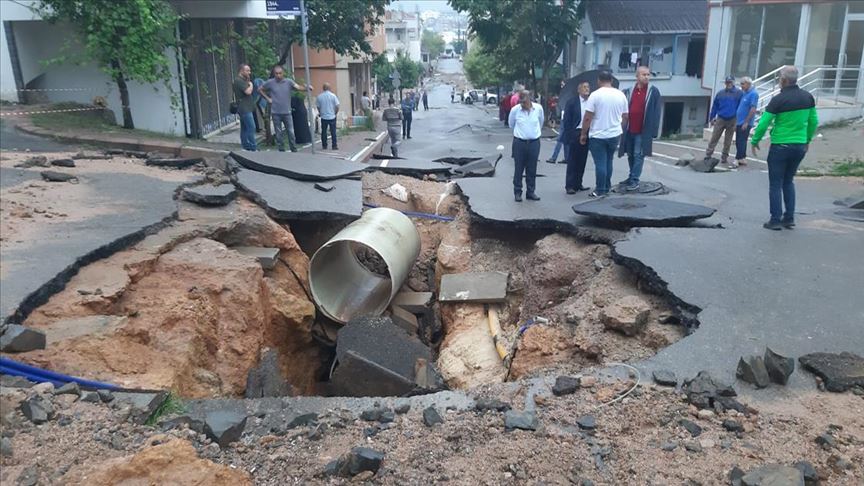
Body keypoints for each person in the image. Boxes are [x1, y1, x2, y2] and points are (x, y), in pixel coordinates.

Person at [750, 66, 817, 231]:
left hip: (781, 145)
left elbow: (764, 122)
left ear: (784, 80)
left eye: (780, 77)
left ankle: (775, 219)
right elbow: (814, 121)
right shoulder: (808, 97)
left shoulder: (778, 100)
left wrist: (755, 140)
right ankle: (789, 217)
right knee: (788, 181)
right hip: (799, 146)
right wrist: (807, 140)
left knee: (775, 183)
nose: (779, 80)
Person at [580, 70, 629, 198]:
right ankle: (607, 186)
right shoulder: (621, 95)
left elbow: (587, 117)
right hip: (614, 134)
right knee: (609, 161)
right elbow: (625, 116)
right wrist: (620, 128)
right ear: (611, 80)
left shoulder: (595, 95)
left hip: (598, 134)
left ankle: (600, 189)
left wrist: (583, 133)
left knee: (600, 163)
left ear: (599, 81)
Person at [618, 66, 663, 191]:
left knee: (639, 155)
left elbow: (657, 112)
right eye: (644, 74)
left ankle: (634, 180)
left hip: (643, 130)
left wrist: (654, 130)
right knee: (630, 154)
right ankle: (631, 176)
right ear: (637, 76)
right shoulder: (628, 91)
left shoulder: (653, 91)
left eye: (648, 74)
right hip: (629, 128)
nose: (647, 77)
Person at [258, 65, 310, 152]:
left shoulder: (288, 82)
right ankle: (281, 149)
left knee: (291, 132)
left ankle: (293, 148)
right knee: (278, 133)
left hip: (287, 112)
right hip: (276, 112)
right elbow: (260, 89)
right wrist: (268, 99)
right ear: (274, 74)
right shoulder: (270, 82)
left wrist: (306, 88)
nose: (278, 75)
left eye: (280, 73)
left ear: (283, 73)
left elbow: (298, 87)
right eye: (276, 73)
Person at [508, 90, 544, 202]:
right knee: (519, 168)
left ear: (530, 99)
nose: (523, 104)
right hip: (520, 143)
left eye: (525, 101)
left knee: (532, 168)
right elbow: (511, 124)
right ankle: (517, 192)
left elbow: (540, 122)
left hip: (534, 142)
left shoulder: (538, 109)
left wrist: (533, 133)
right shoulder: (515, 110)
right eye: (521, 101)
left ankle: (531, 191)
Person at [562, 81, 592, 193]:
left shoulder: (591, 102)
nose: (587, 89)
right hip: (575, 132)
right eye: (584, 87)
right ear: (578, 90)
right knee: (573, 160)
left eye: (588, 87)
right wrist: (570, 135)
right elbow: (567, 120)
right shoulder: (572, 102)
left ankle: (578, 183)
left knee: (582, 159)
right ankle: (569, 185)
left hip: (587, 132)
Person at [706, 76, 742, 165]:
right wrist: (711, 117)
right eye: (727, 82)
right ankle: (708, 154)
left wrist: (739, 120)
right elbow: (715, 106)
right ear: (725, 83)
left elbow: (741, 107)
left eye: (730, 82)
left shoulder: (739, 93)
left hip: (732, 119)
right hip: (720, 118)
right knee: (714, 138)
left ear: (733, 83)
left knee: (728, 140)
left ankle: (724, 157)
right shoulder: (720, 93)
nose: (728, 84)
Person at [733, 77, 758, 168]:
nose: (741, 86)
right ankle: (742, 157)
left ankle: (737, 158)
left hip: (745, 122)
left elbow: (753, 109)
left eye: (743, 84)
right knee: (739, 140)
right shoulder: (744, 93)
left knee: (741, 140)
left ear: (748, 84)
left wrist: (746, 122)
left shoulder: (753, 94)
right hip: (739, 121)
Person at [234, 64, 257, 151]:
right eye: (247, 71)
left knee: (244, 128)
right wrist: (251, 84)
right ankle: (253, 147)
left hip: (246, 107)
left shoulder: (243, 80)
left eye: (249, 71)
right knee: (251, 127)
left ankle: (245, 146)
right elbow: (248, 92)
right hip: (244, 108)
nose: (249, 73)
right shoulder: (238, 81)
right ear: (241, 71)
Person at [316, 83, 340, 150]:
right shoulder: (333, 96)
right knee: (333, 132)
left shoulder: (319, 96)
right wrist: (335, 113)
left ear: (323, 88)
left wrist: (320, 112)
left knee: (324, 132)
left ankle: (324, 145)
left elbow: (318, 106)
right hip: (332, 116)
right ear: (329, 88)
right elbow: (337, 106)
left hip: (324, 117)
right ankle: (334, 146)